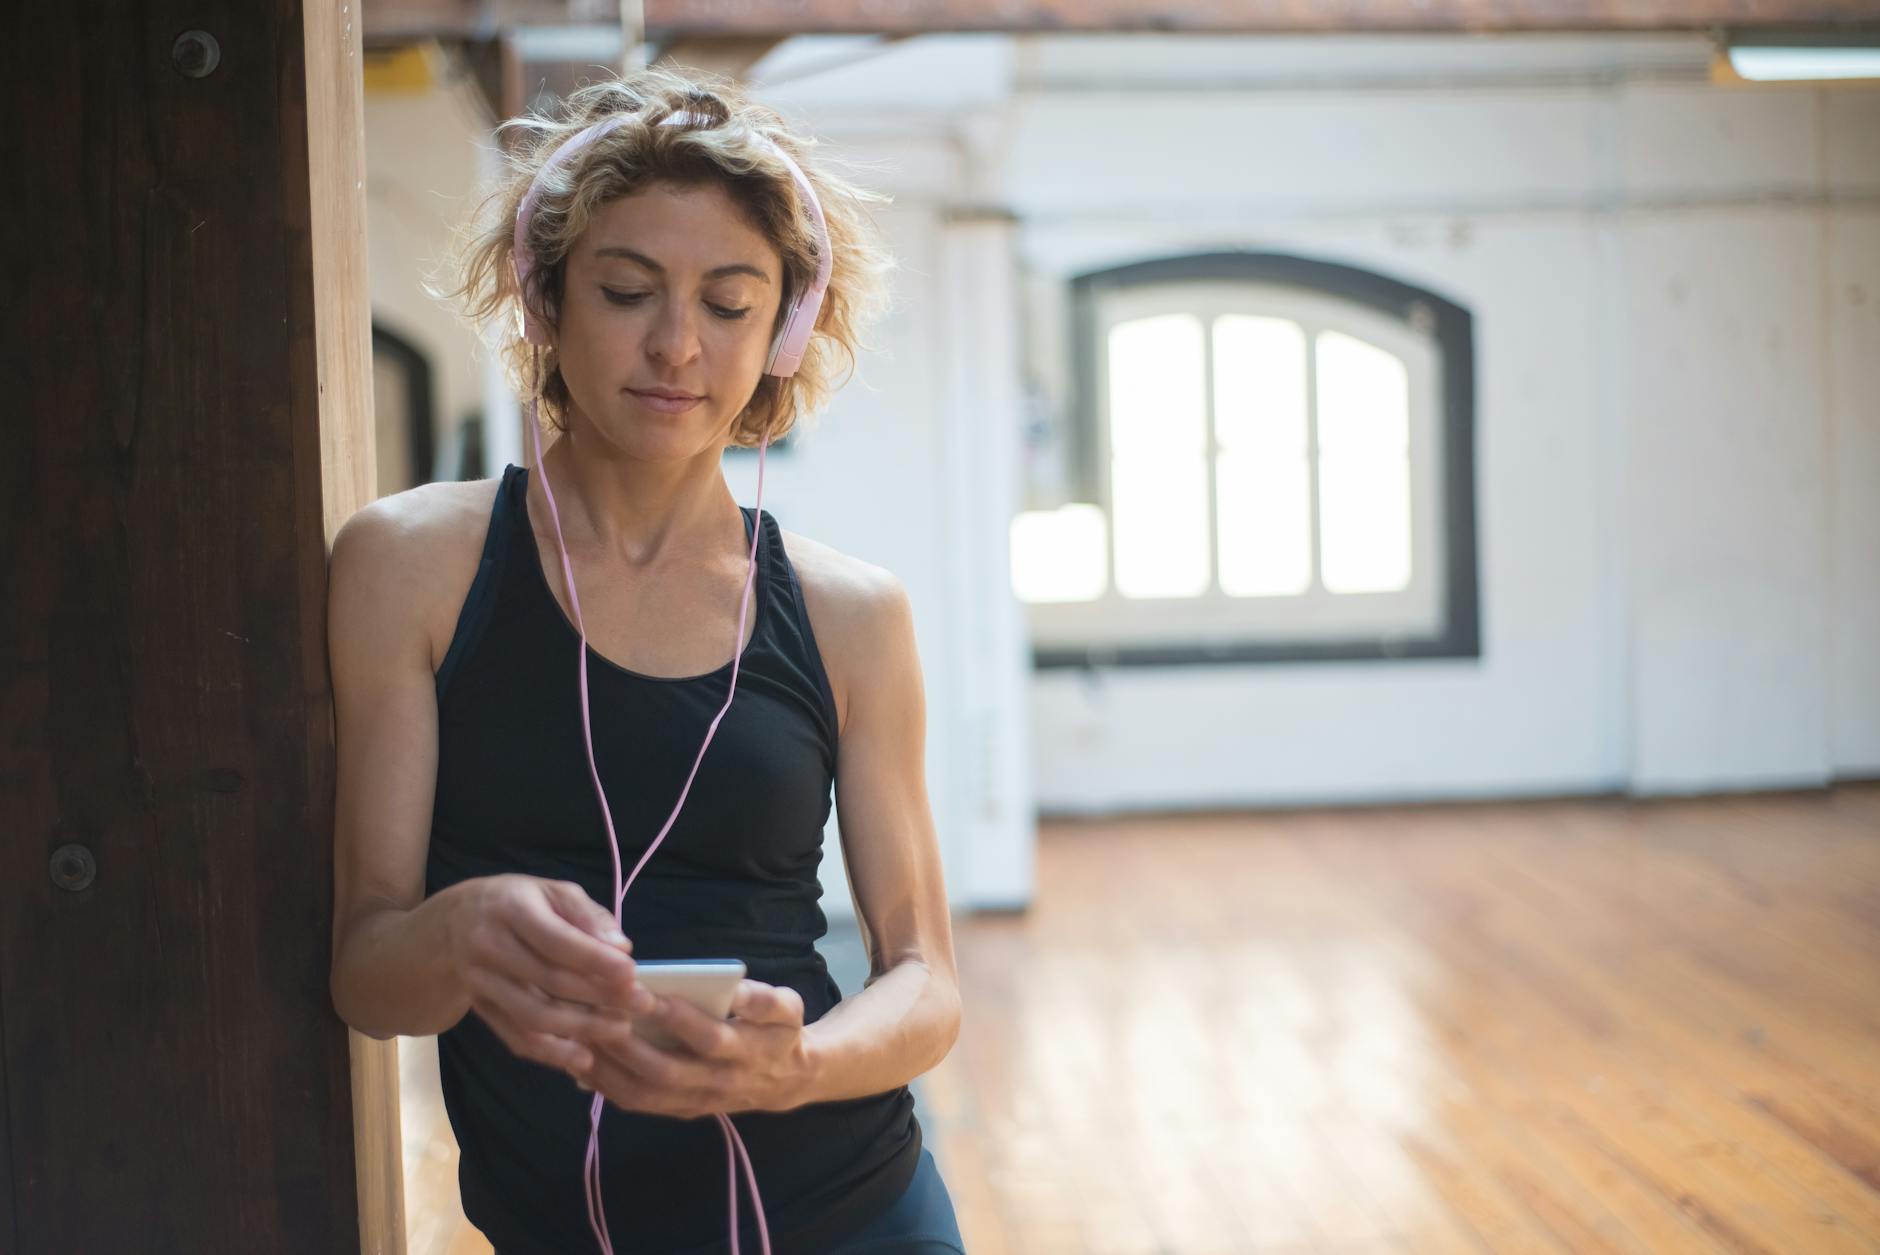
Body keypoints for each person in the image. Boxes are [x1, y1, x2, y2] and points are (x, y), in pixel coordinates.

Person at [327, 66, 966, 1254]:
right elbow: (367, 970)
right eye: (627, 291)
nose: (676, 344)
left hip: (850, 1210)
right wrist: (459, 928)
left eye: (729, 304)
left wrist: (794, 1066)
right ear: (543, 299)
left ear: (782, 332)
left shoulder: (851, 614)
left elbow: (924, 979)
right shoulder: (407, 564)